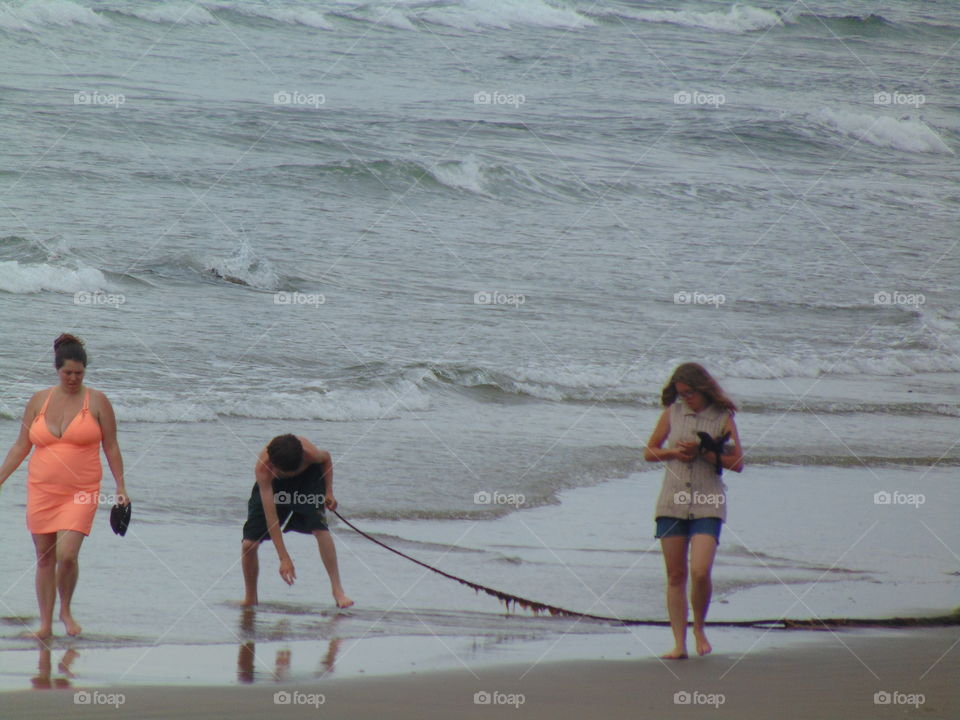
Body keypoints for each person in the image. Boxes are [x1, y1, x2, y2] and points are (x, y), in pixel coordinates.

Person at [0, 334, 130, 639]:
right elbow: (21, 447)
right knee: (45, 557)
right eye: (67, 373)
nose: (73, 378)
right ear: (57, 369)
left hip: (82, 490)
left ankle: (66, 610)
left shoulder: (97, 401)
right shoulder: (38, 401)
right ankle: (45, 623)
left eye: (79, 373)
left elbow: (111, 446)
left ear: (85, 371)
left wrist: (121, 486)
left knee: (67, 555)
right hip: (42, 489)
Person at [644, 362, 743, 659]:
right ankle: (679, 643)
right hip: (671, 501)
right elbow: (649, 452)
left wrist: (703, 452)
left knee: (699, 571)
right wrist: (674, 452)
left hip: (708, 501)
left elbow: (737, 463)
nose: (684, 398)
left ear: (702, 389)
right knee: (675, 575)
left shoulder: (722, 417)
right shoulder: (671, 414)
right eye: (680, 394)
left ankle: (699, 627)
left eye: (689, 393)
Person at [241, 434, 353, 609]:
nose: (284, 474)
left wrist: (329, 492)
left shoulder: (310, 453)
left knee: (320, 529)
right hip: (274, 487)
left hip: (308, 481)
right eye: (280, 470)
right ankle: (250, 598)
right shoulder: (264, 470)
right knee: (249, 545)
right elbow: (272, 519)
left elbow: (327, 459)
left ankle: (338, 591)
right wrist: (284, 558)